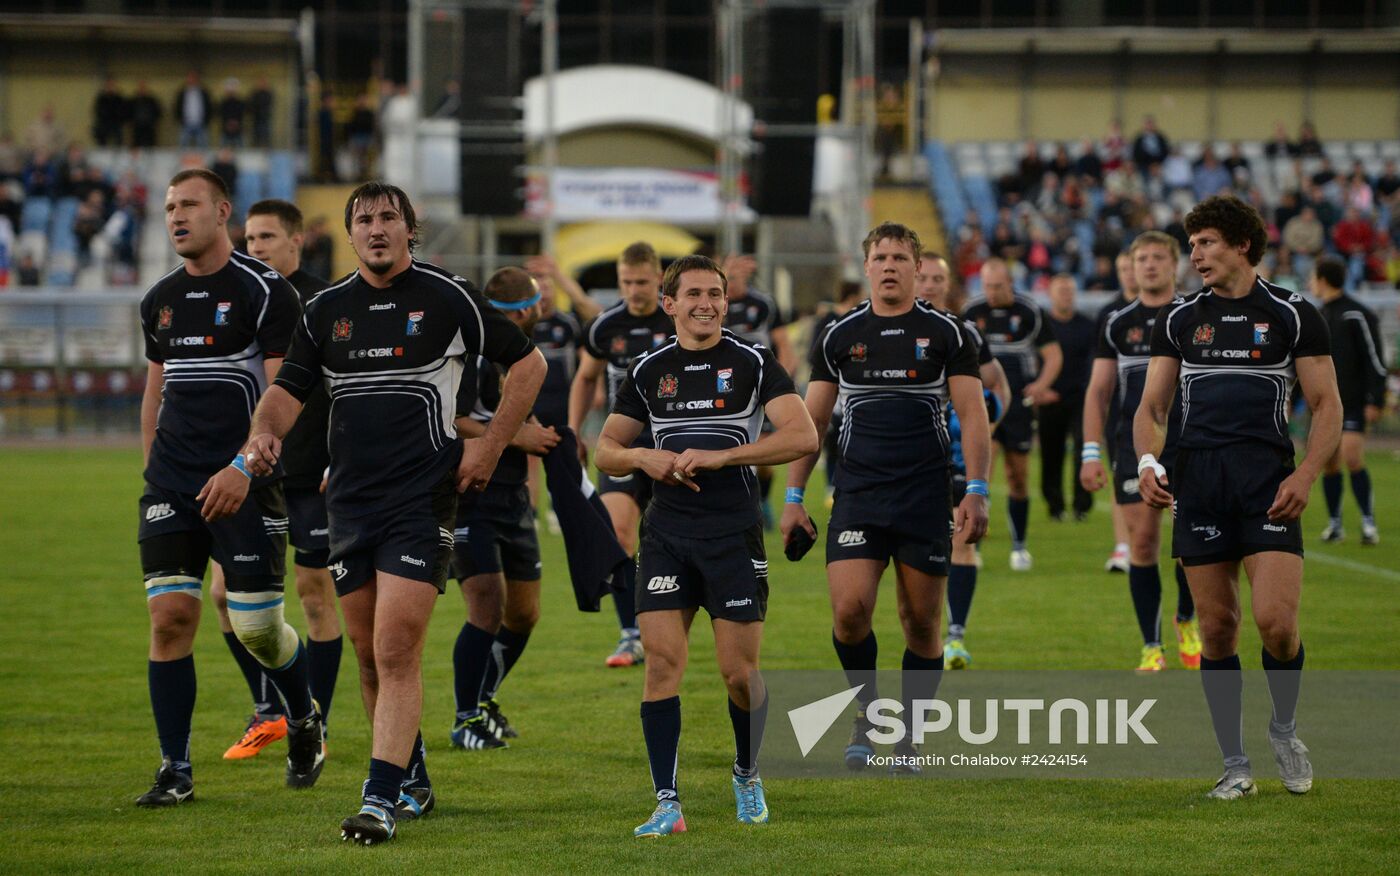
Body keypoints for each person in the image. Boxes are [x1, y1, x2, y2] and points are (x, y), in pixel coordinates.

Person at [202, 181, 545, 843]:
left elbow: (527, 367)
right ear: (350, 234)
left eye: (389, 217)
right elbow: (286, 393)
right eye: (364, 220)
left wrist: (490, 448)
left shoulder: (449, 297)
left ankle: (379, 799)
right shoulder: (326, 309)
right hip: (349, 502)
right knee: (365, 653)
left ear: (409, 230)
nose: (377, 229)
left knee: (394, 649)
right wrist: (261, 438)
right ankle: (411, 776)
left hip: (422, 501)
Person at [596, 254, 817, 836]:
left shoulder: (753, 363)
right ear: (669, 304)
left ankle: (746, 772)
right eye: (692, 294)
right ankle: (667, 803)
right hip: (667, 533)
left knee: (738, 674)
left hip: (733, 533)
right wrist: (643, 456)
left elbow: (802, 434)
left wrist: (725, 455)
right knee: (662, 664)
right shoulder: (647, 371)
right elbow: (605, 450)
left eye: (714, 294)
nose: (705, 303)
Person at [1135, 195, 1340, 800]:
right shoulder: (1178, 319)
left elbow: (1327, 406)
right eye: (1191, 243)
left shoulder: (1293, 314)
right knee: (1218, 630)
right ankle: (1235, 764)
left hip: (1268, 484)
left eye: (1205, 242)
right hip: (1198, 485)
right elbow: (1151, 408)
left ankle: (1284, 729)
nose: (1193, 254)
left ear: (1242, 245)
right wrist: (1149, 458)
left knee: (1277, 625)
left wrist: (1304, 477)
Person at [133, 168, 322, 807]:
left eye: (188, 205)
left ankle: (302, 718)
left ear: (221, 212)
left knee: (258, 630)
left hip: (245, 482)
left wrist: (243, 467)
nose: (176, 217)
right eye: (168, 208)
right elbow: (156, 388)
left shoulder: (265, 292)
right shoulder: (158, 298)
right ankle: (175, 769)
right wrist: (151, 469)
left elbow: (282, 395)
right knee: (170, 618)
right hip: (172, 483)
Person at [782, 223, 991, 772]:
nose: (891, 265)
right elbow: (814, 420)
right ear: (867, 265)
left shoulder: (948, 333)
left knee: (921, 622)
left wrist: (976, 490)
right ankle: (867, 716)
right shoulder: (838, 334)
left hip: (925, 498)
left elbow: (972, 414)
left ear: (917, 268)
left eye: (901, 257)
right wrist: (794, 495)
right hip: (859, 495)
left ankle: (911, 735)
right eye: (881, 257)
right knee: (850, 613)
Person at [211, 199, 343, 761]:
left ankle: (317, 721)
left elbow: (346, 390)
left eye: (267, 237)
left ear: (297, 241)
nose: (256, 248)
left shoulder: (327, 302)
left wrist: (343, 458)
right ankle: (271, 711)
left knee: (315, 597)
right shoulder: (238, 298)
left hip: (310, 474)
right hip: (251, 473)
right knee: (221, 597)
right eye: (249, 238)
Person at [448, 267, 559, 751]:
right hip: (472, 496)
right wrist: (521, 436)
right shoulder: (474, 357)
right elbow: (454, 420)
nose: (541, 311)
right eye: (535, 305)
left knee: (525, 614)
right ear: (517, 312)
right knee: (486, 606)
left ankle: (485, 697)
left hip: (512, 496)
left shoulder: (521, 356)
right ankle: (465, 718)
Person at [1080, 231, 1201, 672]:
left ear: (1174, 264)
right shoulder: (1116, 322)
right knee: (1144, 544)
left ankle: (1186, 617)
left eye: (1157, 258)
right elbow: (1098, 392)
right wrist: (1090, 451)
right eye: (1141, 258)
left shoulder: (1195, 315)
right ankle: (1152, 646)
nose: (1148, 265)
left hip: (1191, 446)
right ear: (1131, 266)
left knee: (1191, 547)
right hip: (1135, 447)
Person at [569, 242, 673, 667]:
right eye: (626, 282)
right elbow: (585, 378)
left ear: (659, 278)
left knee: (674, 541)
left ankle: (677, 622)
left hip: (675, 446)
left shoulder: (679, 319)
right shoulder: (604, 328)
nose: (633, 290)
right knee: (619, 535)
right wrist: (573, 431)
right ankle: (630, 633)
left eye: (641, 282)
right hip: (623, 447)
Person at [914, 251, 1010, 670]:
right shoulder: (886, 330)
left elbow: (997, 387)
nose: (931, 285)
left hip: (954, 461)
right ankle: (926, 635)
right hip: (906, 465)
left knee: (961, 544)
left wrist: (985, 426)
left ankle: (954, 638)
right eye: (924, 277)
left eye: (938, 279)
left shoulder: (964, 332)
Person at [963, 258, 1062, 570]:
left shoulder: (1029, 312)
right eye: (987, 285)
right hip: (983, 405)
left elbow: (1053, 355)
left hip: (1018, 406)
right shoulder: (971, 313)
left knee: (1018, 477)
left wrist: (1040, 385)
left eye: (997, 286)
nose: (991, 292)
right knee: (980, 476)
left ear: (1010, 283)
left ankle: (1019, 545)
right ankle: (972, 547)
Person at [1312, 256, 1387, 544]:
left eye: (1313, 278)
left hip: (1354, 401)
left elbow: (1375, 359)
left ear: (1322, 280)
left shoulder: (1357, 314)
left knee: (1353, 457)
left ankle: (1368, 524)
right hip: (1326, 406)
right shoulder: (1319, 315)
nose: (1310, 284)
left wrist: (1375, 399)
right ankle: (1335, 525)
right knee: (1329, 464)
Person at [722, 253, 798, 527]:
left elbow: (785, 347)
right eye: (727, 276)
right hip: (729, 389)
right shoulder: (716, 307)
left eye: (737, 276)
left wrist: (780, 384)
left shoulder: (763, 304)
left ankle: (762, 499)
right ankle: (743, 508)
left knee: (764, 455)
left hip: (762, 387)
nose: (733, 281)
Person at [1039, 274, 1096, 522]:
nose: (1066, 295)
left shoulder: (1087, 325)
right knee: (1051, 453)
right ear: (1050, 294)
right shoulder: (1042, 326)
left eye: (1070, 291)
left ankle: (1082, 505)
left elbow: (1094, 363)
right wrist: (1041, 389)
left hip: (1080, 398)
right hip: (1049, 397)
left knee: (1084, 450)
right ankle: (1055, 506)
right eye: (1061, 290)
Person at [1101, 251, 1139, 573]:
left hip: (1170, 416)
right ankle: (1123, 546)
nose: (1129, 274)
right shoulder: (1109, 314)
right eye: (1123, 268)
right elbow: (1099, 374)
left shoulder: (1175, 310)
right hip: (1121, 412)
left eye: (1132, 267)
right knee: (1120, 476)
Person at [174, 72, 210, 150]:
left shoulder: (203, 93)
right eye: (190, 79)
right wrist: (181, 120)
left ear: (197, 80)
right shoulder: (182, 93)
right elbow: (177, 107)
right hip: (186, 123)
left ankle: (204, 162)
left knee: (203, 147)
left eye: (194, 79)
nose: (192, 81)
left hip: (201, 123)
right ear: (187, 80)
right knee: (183, 147)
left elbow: (209, 107)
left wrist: (206, 120)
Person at [93, 77, 128, 147]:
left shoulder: (119, 98)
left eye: (112, 84)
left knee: (119, 140)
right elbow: (97, 111)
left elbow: (123, 111)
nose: (110, 86)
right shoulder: (101, 98)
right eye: (108, 84)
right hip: (104, 123)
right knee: (101, 138)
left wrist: (119, 118)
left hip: (116, 123)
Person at [129, 81, 163, 149]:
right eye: (141, 87)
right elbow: (129, 112)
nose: (142, 89)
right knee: (136, 146)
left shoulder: (152, 100)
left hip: (149, 127)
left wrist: (154, 121)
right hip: (137, 127)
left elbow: (158, 112)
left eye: (143, 87)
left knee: (150, 146)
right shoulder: (133, 100)